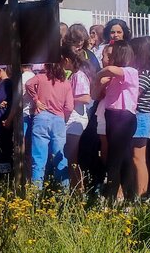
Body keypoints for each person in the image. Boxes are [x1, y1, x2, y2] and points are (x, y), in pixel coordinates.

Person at [93, 40, 138, 202]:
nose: (108, 58)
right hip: (111, 116)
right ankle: (129, 197)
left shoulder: (130, 71)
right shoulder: (112, 77)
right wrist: (99, 83)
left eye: (111, 55)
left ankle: (112, 197)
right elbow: (95, 95)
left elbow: (111, 69)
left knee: (114, 158)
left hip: (123, 117)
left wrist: (99, 74)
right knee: (123, 157)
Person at [26, 51, 75, 189]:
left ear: (46, 65)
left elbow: (28, 84)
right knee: (60, 156)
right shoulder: (66, 83)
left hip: (42, 116)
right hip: (58, 119)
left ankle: (36, 192)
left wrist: (36, 100)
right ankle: (63, 192)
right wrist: (64, 116)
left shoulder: (41, 77)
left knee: (38, 158)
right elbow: (69, 107)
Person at [129, 36, 150, 200]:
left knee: (138, 158)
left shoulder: (144, 74)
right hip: (137, 117)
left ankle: (142, 195)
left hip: (140, 118)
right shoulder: (142, 72)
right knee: (134, 158)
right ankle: (136, 192)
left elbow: (135, 94)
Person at [63, 44, 93, 191]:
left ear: (67, 60)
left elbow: (86, 98)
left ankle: (78, 189)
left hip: (76, 119)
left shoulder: (79, 75)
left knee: (72, 158)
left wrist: (67, 99)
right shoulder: (74, 74)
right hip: (73, 118)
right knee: (70, 157)